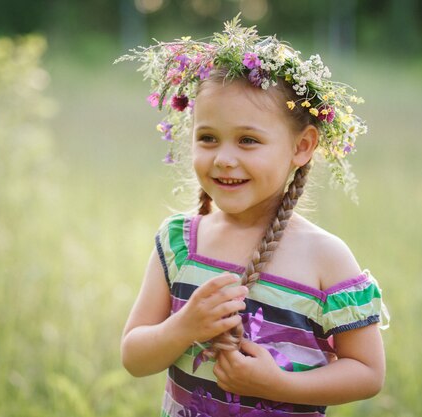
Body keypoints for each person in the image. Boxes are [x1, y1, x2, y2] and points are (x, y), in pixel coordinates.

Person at [117, 16, 389, 417]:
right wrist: (183, 328)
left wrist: (277, 385)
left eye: (248, 140)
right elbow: (134, 357)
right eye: (208, 137)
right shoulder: (178, 242)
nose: (225, 158)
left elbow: (367, 373)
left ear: (302, 146)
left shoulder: (324, 258)